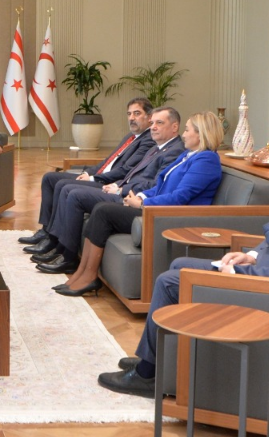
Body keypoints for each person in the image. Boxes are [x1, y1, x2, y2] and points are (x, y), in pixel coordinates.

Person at [99, 131, 269, 397]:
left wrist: (236, 271)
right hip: (264, 272)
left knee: (171, 281)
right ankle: (156, 358)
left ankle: (148, 375)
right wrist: (252, 255)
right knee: (180, 264)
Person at [55, 110, 224, 297]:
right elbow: (161, 187)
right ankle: (82, 272)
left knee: (104, 211)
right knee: (100, 209)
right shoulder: (189, 155)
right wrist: (141, 196)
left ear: (201, 134)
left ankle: (89, 275)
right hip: (156, 209)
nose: (183, 135)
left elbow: (180, 197)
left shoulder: (206, 160)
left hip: (169, 217)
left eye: (187, 130)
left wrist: (144, 204)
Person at [34, 107, 186, 274]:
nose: (153, 127)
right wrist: (115, 184)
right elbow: (126, 170)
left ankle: (68, 257)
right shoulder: (158, 146)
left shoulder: (174, 151)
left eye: (159, 123)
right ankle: (58, 246)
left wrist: (121, 189)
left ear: (174, 127)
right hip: (120, 187)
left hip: (131, 197)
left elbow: (155, 184)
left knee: (74, 194)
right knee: (65, 187)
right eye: (153, 123)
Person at [22, 97, 155, 255]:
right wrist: (88, 172)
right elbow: (108, 161)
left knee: (63, 185)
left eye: (137, 113)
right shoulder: (130, 137)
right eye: (129, 114)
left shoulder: (148, 140)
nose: (131, 118)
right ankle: (46, 231)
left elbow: (124, 170)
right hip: (100, 176)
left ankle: (53, 239)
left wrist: (94, 179)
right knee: (50, 178)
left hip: (108, 183)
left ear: (149, 117)